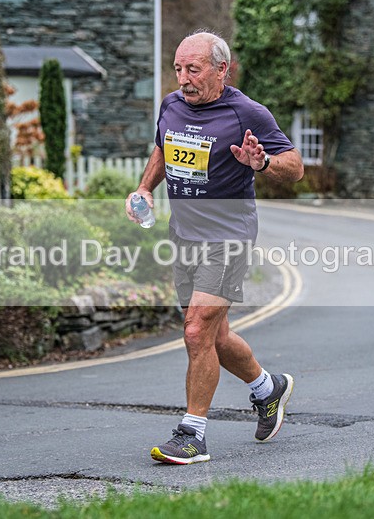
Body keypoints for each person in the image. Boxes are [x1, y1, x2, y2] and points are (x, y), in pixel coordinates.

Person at [126, 30, 304, 465]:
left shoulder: (247, 113)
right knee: (215, 336)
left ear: (221, 69)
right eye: (178, 69)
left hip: (229, 236)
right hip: (184, 235)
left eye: (194, 69)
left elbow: (295, 167)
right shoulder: (171, 105)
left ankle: (192, 434)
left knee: (196, 328)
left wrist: (260, 162)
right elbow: (162, 149)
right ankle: (268, 388)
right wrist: (145, 188)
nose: (184, 79)